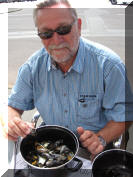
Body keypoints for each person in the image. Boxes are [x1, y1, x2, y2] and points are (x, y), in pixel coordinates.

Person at [8, 0, 133, 157]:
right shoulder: (32, 67)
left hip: (93, 148)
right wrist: (13, 122)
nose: (56, 41)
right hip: (50, 146)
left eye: (63, 29)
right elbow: (12, 106)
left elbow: (125, 115)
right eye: (46, 34)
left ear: (79, 26)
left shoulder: (109, 66)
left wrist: (101, 138)